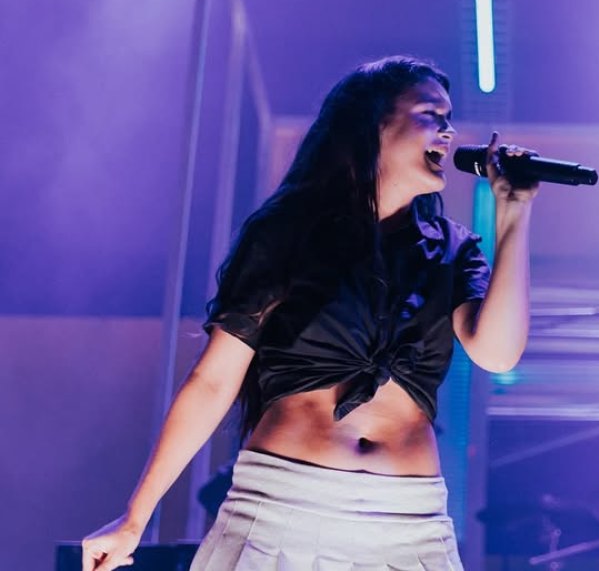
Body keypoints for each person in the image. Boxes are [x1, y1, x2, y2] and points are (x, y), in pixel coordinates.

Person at [81, 56, 539, 571]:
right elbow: (213, 381)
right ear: (375, 124)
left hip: (409, 527)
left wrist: (513, 213)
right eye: (433, 114)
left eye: (450, 119)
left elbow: (498, 354)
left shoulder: (453, 250)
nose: (450, 133)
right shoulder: (290, 233)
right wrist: (134, 518)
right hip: (280, 510)